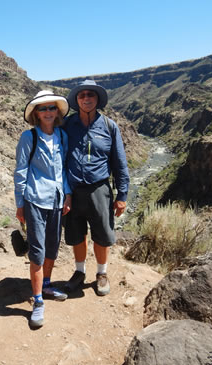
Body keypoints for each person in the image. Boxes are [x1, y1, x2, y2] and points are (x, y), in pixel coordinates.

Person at [63, 79, 130, 296]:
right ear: (77, 100)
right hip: (73, 190)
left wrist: (122, 194)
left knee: (101, 234)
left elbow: (120, 163)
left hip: (99, 189)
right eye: (82, 95)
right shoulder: (67, 125)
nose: (86, 99)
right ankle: (79, 271)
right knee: (77, 234)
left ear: (97, 99)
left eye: (90, 95)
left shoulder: (110, 127)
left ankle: (102, 274)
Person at [14, 90, 72, 328]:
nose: (48, 112)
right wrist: (20, 204)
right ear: (36, 114)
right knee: (37, 251)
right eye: (43, 108)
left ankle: (46, 284)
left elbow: (63, 169)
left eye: (51, 108)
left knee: (52, 247)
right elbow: (20, 172)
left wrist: (67, 194)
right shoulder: (29, 138)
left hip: (57, 200)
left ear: (57, 112)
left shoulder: (61, 135)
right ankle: (37, 301)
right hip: (35, 200)